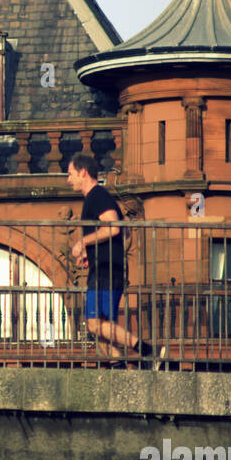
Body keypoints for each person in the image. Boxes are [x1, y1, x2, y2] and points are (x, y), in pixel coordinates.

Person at [66, 154, 162, 370]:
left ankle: (149, 351)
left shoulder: (97, 195)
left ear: (83, 172)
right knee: (98, 327)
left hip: (107, 273)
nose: (68, 179)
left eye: (70, 174)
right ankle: (119, 369)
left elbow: (114, 227)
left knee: (95, 324)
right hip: (104, 269)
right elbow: (124, 232)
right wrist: (90, 253)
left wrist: (83, 242)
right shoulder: (96, 198)